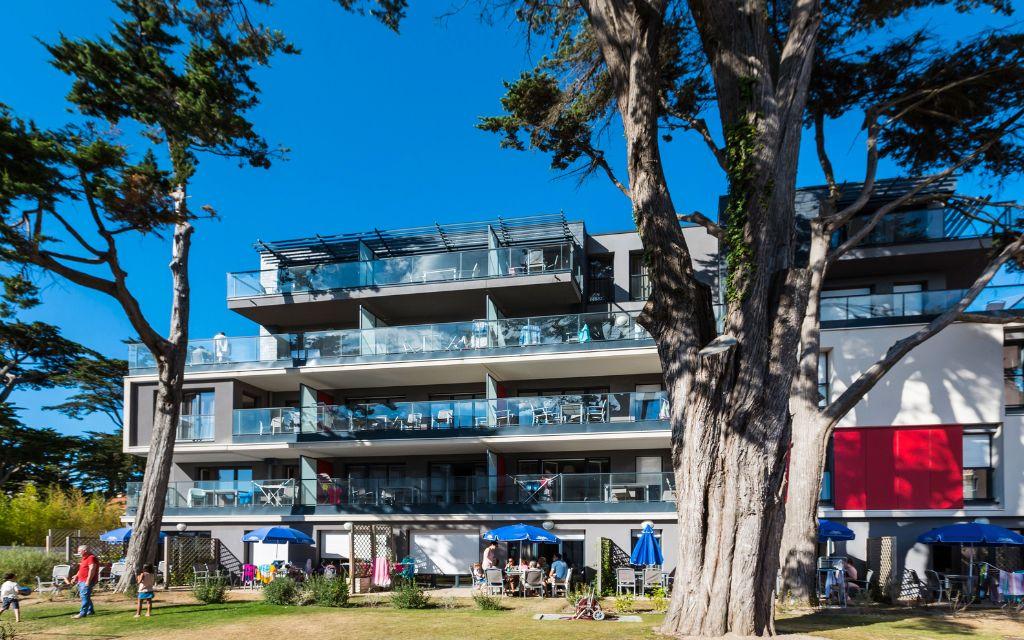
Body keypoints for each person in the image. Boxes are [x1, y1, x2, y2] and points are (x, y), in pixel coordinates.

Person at [66, 545, 98, 619]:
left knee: (84, 596)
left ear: (85, 550)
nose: (78, 552)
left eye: (79, 551)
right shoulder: (84, 558)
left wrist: (88, 580)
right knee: (85, 596)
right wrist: (76, 576)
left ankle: (82, 613)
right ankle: (90, 610)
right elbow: (81, 569)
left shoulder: (91, 558)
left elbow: (92, 569)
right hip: (82, 580)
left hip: (86, 580)